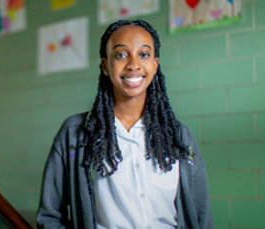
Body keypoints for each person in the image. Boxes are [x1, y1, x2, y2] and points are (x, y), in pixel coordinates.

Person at [36, 19, 213, 229]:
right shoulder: (75, 134)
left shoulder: (180, 136)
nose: (133, 64)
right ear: (105, 66)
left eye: (144, 54)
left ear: (155, 65)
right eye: (121, 54)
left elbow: (201, 214)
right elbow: (49, 216)